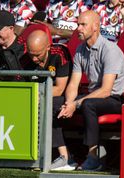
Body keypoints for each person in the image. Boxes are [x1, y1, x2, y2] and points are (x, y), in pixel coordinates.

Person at [57, 10, 124, 171]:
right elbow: (73, 84)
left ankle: (93, 157)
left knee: (88, 104)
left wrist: (76, 103)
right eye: (77, 24)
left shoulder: (110, 50)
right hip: (93, 96)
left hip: (115, 99)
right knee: (57, 103)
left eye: (83, 25)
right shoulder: (81, 50)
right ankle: (65, 155)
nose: (78, 29)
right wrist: (69, 103)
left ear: (95, 27)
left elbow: (106, 90)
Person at [19, 30, 74, 170]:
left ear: (48, 47)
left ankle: (65, 157)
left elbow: (60, 89)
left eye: (38, 55)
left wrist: (37, 95)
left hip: (64, 98)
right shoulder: (25, 59)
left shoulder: (60, 54)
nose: (34, 59)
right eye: (31, 54)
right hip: (37, 97)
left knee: (47, 105)